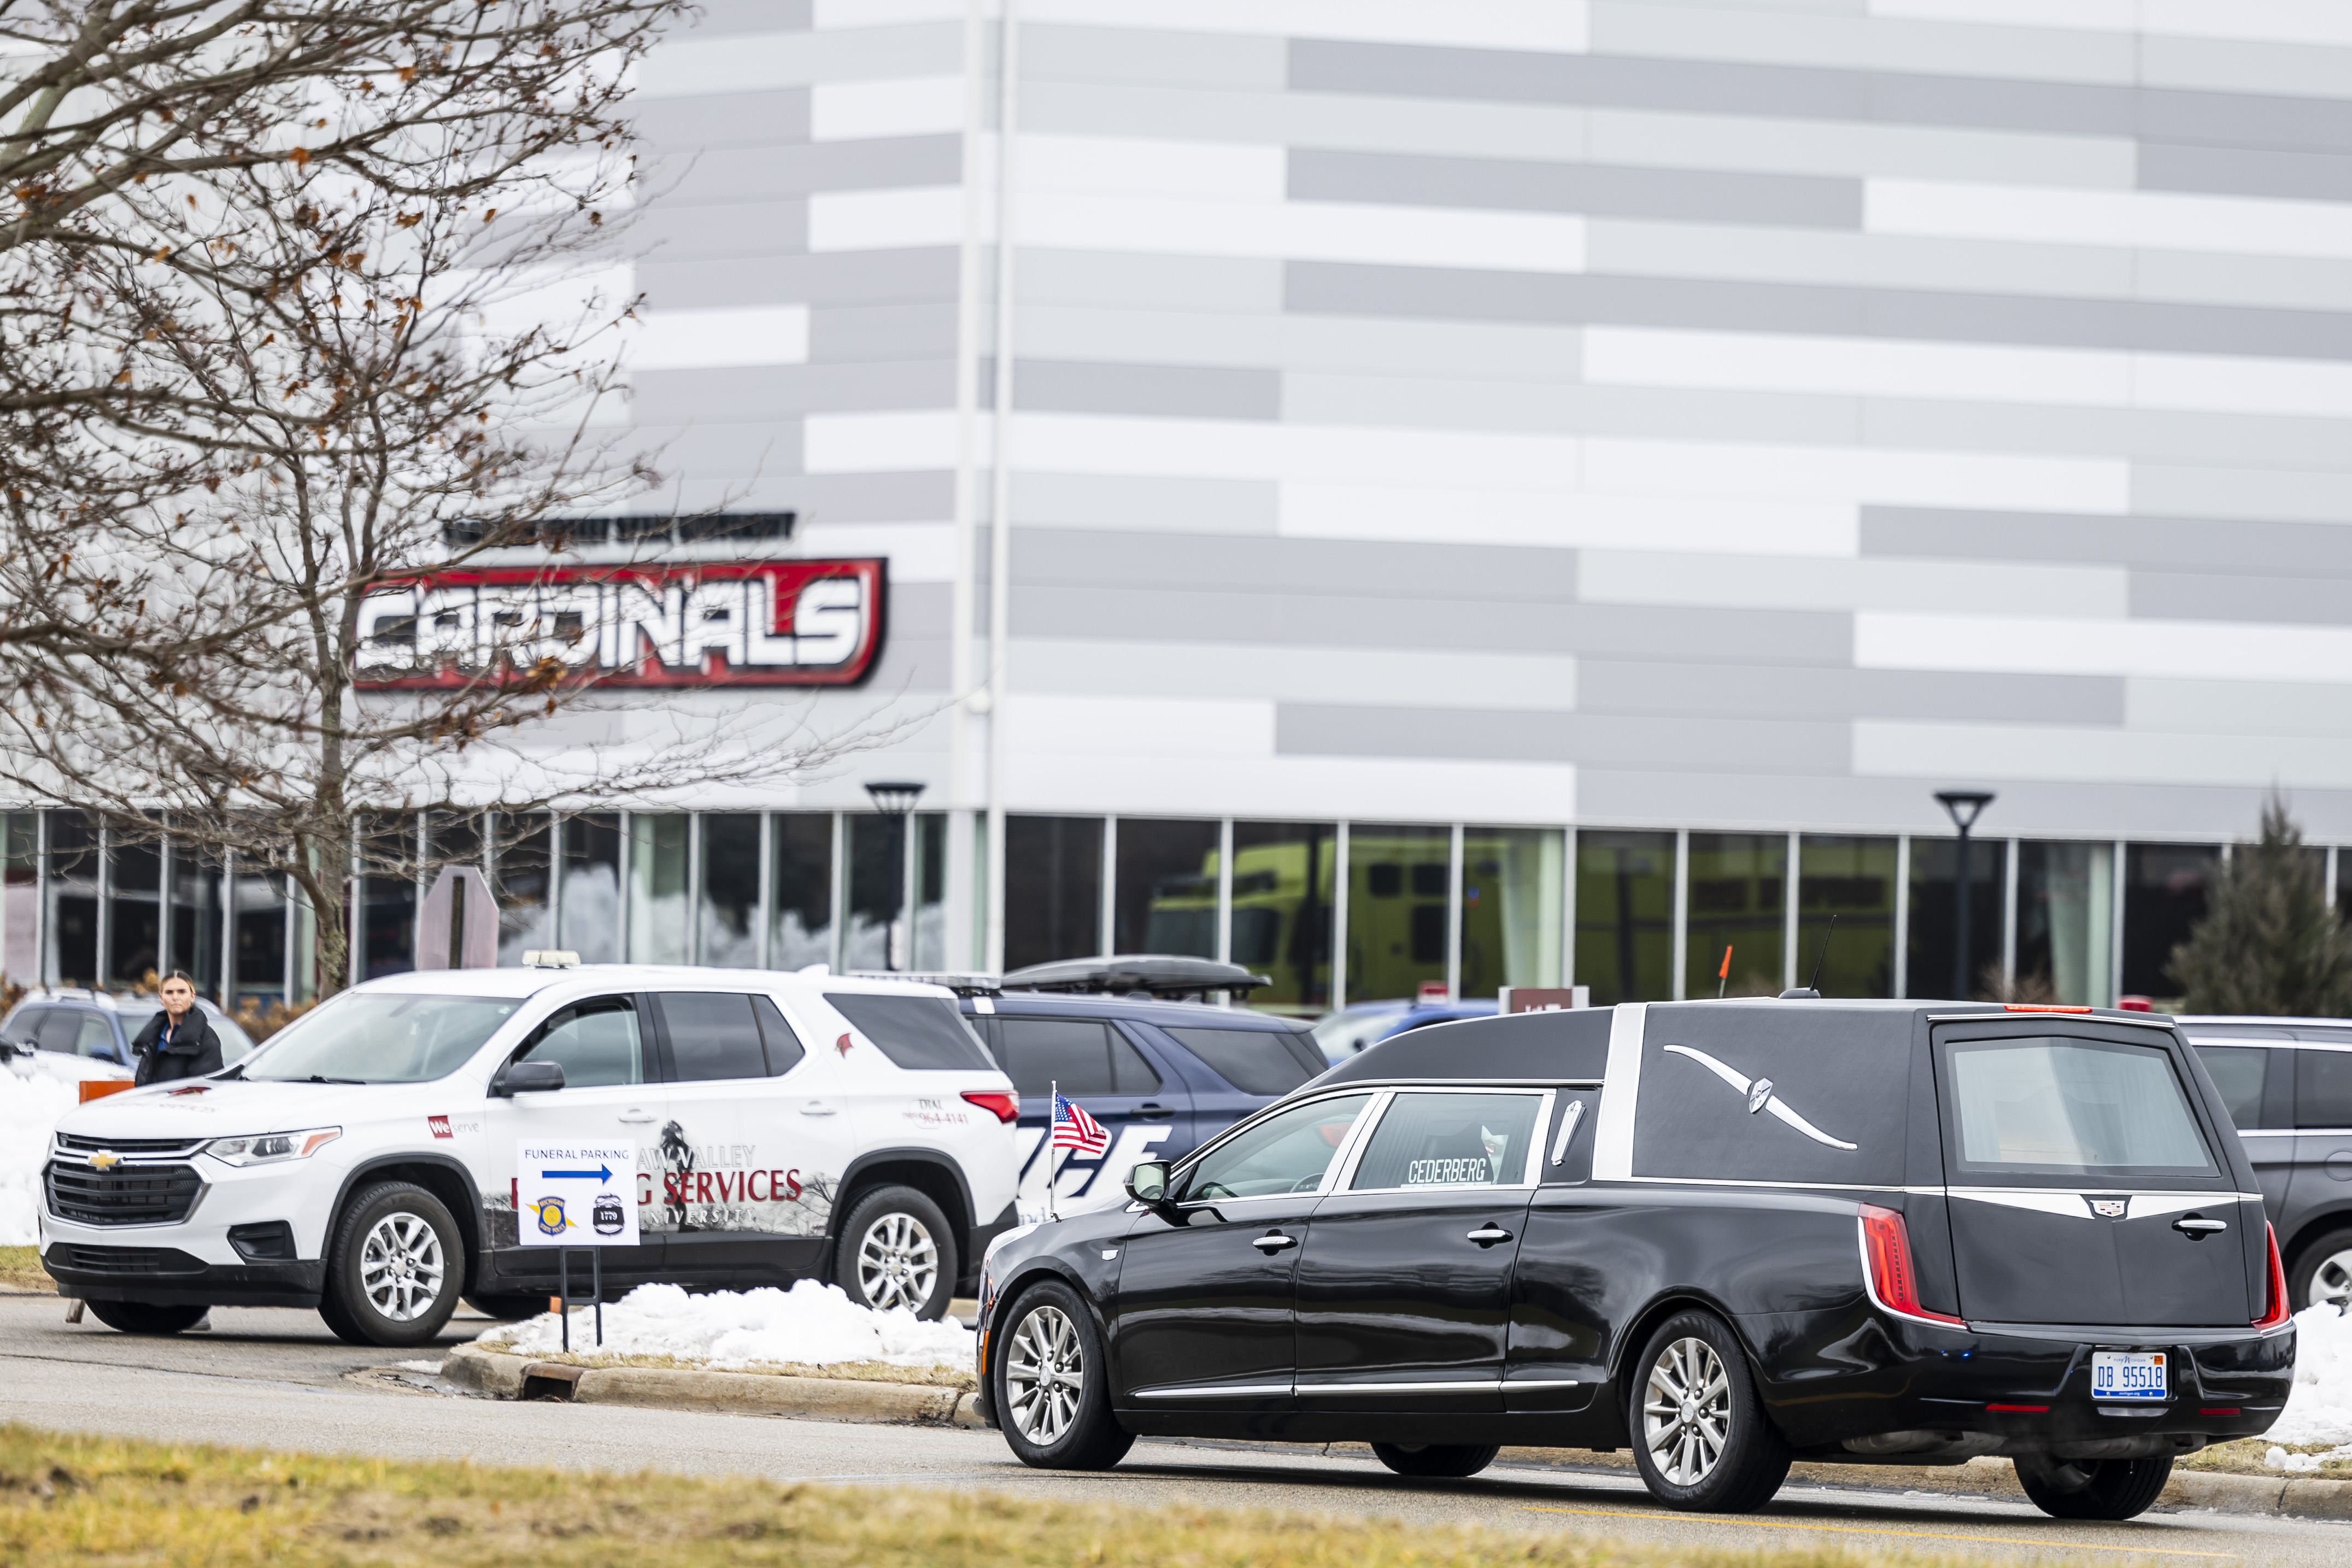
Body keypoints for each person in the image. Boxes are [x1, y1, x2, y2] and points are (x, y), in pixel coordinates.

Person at [131, 972, 224, 1087]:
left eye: (182, 992)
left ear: (192, 996)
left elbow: (206, 1087)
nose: (175, 997)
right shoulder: (152, 1037)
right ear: (161, 998)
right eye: (169, 992)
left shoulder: (206, 1038)